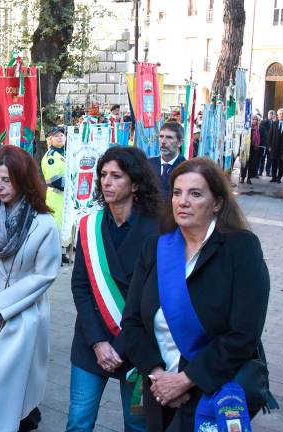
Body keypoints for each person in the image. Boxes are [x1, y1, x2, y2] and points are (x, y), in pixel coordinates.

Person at [122, 158, 272, 431]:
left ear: (216, 203)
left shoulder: (241, 249)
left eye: (196, 194)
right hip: (160, 390)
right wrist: (159, 376)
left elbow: (244, 334)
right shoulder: (155, 249)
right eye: (177, 193)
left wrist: (185, 380)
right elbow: (131, 323)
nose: (182, 201)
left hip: (213, 390)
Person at [66, 146, 163, 432]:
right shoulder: (89, 226)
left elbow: (153, 296)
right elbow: (80, 286)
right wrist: (98, 342)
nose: (106, 182)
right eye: (103, 175)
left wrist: (119, 347)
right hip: (91, 341)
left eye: (116, 176)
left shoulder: (158, 230)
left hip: (136, 346)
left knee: (137, 425)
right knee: (78, 422)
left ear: (134, 183)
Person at [0, 145, 61, 432]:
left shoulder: (44, 224)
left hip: (24, 318)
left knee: (8, 389)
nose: (0, 186)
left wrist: (0, 305)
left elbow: (44, 275)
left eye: (7, 180)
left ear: (23, 179)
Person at [41, 126, 70, 264]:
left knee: (65, 226)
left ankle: (62, 253)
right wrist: (72, 184)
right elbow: (56, 180)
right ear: (49, 139)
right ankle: (53, 256)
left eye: (62, 135)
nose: (60, 137)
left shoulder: (66, 153)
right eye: (56, 135)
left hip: (65, 197)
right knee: (56, 226)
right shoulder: (51, 157)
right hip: (56, 196)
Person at [149, 122, 186, 197]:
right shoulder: (148, 164)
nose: (163, 141)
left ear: (180, 142)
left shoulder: (187, 168)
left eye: (169, 137)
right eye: (161, 136)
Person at [268, 108, 283, 183]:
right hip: (274, 147)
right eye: (280, 114)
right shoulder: (274, 123)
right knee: (274, 162)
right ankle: (273, 177)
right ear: (277, 115)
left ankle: (279, 177)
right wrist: (269, 146)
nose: (281, 115)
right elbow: (270, 135)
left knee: (282, 163)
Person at [240, 115, 265, 184]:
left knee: (252, 164)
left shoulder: (260, 128)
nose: (254, 121)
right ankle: (242, 177)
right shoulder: (247, 127)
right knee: (244, 163)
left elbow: (263, 138)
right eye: (253, 119)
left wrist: (260, 146)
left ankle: (249, 178)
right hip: (247, 148)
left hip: (255, 148)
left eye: (255, 119)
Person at [258, 110, 276, 176]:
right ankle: (260, 171)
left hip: (271, 144)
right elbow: (261, 125)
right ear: (268, 115)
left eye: (272, 114)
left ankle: (268, 172)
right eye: (270, 114)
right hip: (264, 143)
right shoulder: (264, 122)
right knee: (262, 158)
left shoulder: (275, 123)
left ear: (274, 115)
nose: (271, 116)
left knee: (270, 159)